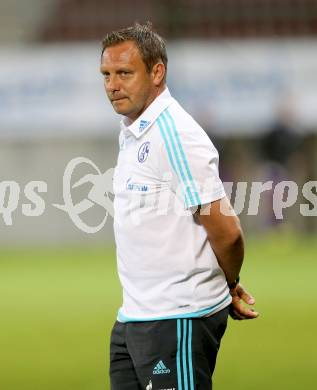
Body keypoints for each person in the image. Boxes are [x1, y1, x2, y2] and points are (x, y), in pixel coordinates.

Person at [100, 22, 258, 390]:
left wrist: (229, 281)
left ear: (157, 72)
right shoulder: (134, 131)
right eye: (106, 74)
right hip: (134, 318)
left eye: (124, 73)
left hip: (177, 318)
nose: (112, 84)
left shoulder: (176, 134)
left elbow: (228, 232)